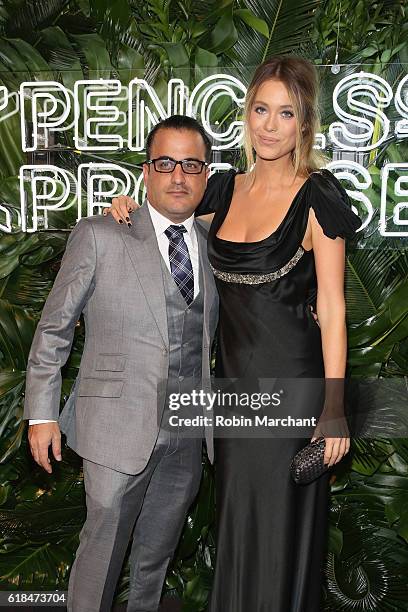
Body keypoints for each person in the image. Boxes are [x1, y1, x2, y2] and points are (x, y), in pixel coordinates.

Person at [106, 56, 361, 611]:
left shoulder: (318, 197)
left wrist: (335, 407)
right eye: (261, 110)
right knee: (239, 531)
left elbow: (334, 309)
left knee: (279, 537)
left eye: (285, 113)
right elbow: (167, 215)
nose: (270, 125)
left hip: (294, 395)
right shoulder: (221, 190)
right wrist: (129, 202)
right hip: (235, 400)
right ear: (247, 115)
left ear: (304, 123)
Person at [23, 115, 219, 612]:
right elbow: (54, 327)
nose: (178, 175)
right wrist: (41, 414)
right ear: (146, 172)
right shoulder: (101, 234)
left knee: (154, 563)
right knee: (101, 558)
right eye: (165, 163)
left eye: (191, 164)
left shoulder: (215, 243)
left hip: (186, 434)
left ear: (206, 174)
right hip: (115, 429)